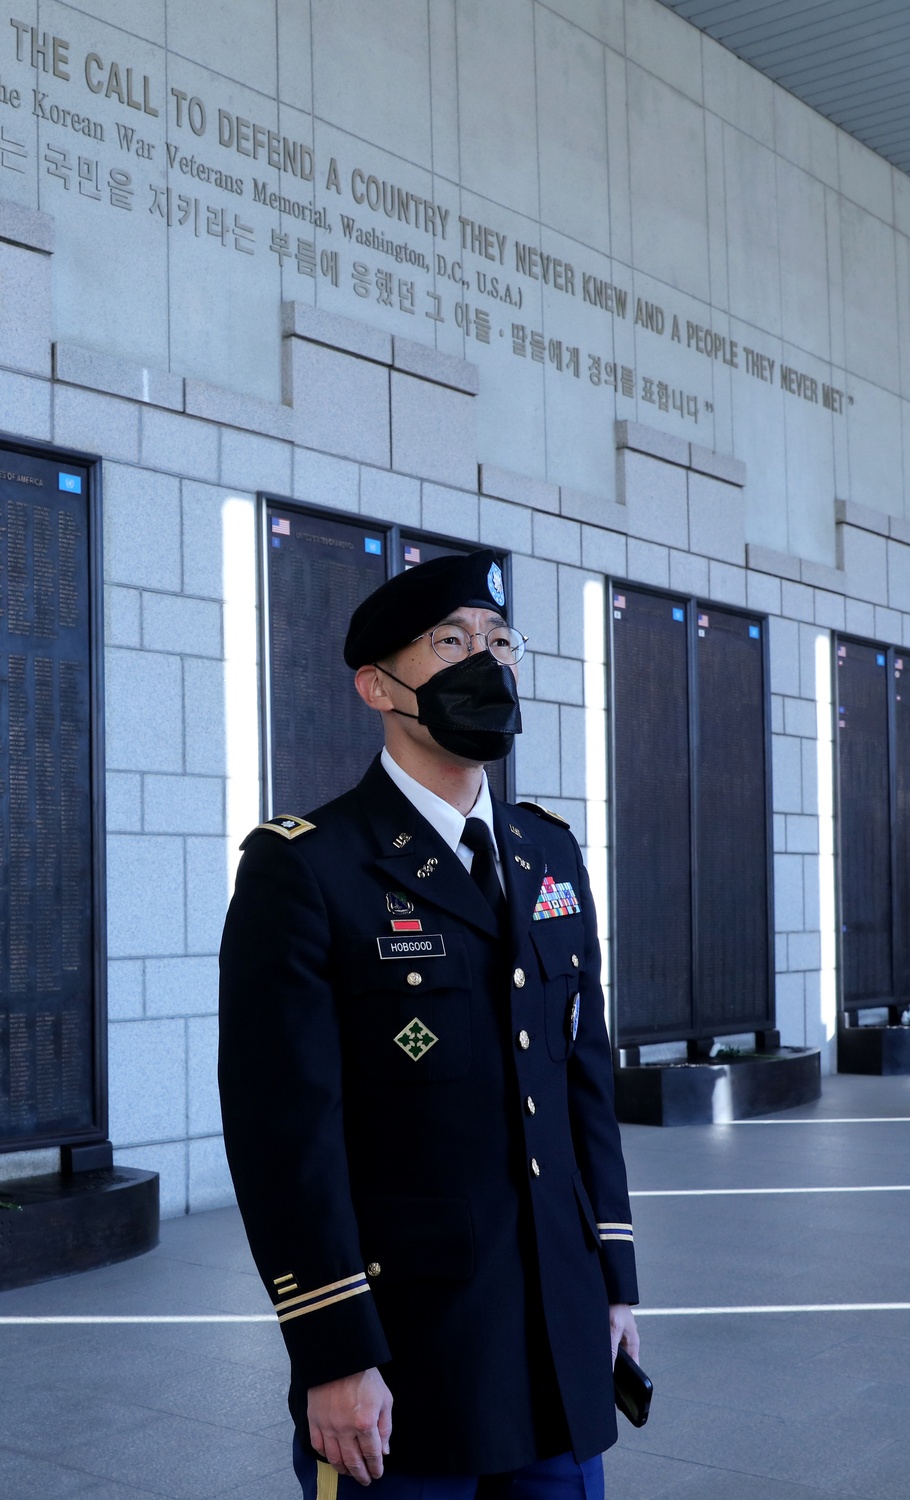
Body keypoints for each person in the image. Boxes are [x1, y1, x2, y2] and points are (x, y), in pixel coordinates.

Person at [218, 549, 639, 1500]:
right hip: (406, 1356)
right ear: (377, 686)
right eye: (450, 642)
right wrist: (331, 1350)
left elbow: (584, 1085)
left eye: (499, 641)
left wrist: (612, 1280)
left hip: (557, 1338)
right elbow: (285, 1135)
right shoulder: (309, 870)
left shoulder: (548, 852)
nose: (482, 663)